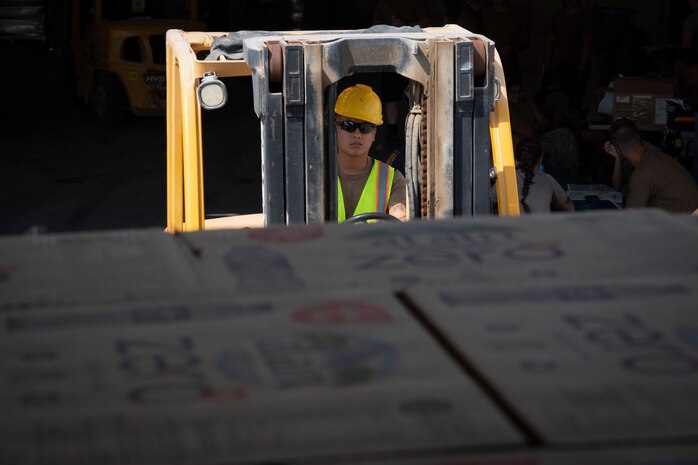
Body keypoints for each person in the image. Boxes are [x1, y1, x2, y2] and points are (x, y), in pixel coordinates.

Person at [334, 84, 408, 221]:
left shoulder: (392, 180)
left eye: (365, 127)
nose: (357, 134)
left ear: (374, 133)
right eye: (348, 125)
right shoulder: (315, 176)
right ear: (336, 128)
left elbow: (400, 221)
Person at [603, 118, 698, 212]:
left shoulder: (643, 173)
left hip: (688, 223)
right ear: (639, 137)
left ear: (618, 149)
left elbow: (630, 219)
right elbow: (617, 187)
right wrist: (617, 157)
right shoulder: (654, 156)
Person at [515, 139, 575, 214]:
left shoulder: (503, 180)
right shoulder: (547, 179)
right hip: (543, 225)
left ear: (515, 160)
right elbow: (570, 208)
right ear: (540, 160)